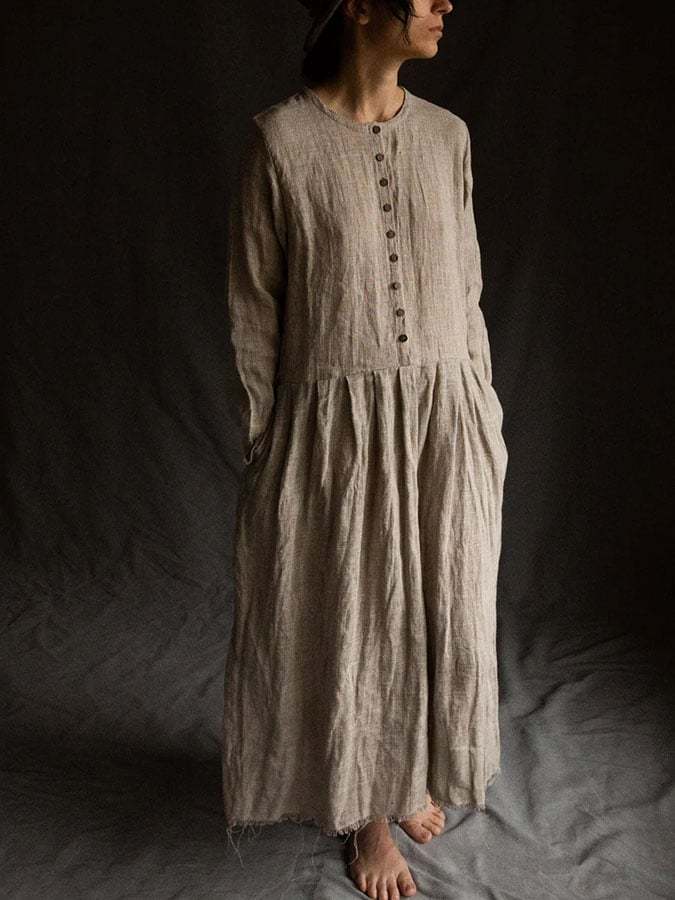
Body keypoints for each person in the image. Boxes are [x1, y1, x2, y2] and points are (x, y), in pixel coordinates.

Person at [222, 1, 508, 897]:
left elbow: (467, 289)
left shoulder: (448, 137)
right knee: (359, 617)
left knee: (440, 605)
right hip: (336, 430)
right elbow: (255, 308)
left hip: (444, 417)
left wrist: (482, 413)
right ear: (358, 5)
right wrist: (266, 438)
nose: (443, 5)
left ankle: (408, 773)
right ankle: (367, 816)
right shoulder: (281, 142)